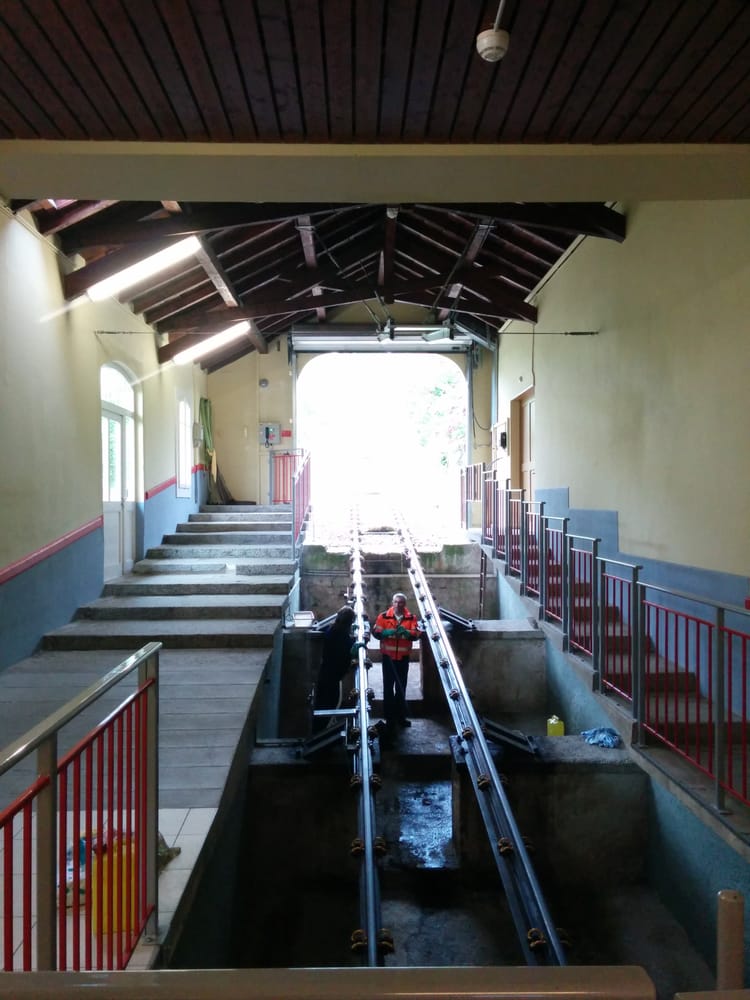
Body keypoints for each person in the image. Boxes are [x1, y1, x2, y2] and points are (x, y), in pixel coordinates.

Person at [371, 592, 422, 734]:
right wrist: (386, 633)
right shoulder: (383, 616)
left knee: (401, 688)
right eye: (396, 602)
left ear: (404, 604)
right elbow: (376, 632)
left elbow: (417, 634)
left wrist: (407, 633)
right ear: (392, 603)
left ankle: (400, 717)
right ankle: (390, 719)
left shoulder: (411, 618)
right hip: (388, 658)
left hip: (402, 659)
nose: (398, 604)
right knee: (388, 688)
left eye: (401, 602)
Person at [312, 606, 357, 733]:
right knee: (328, 704)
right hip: (332, 675)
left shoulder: (332, 629)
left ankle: (317, 731)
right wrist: (353, 647)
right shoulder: (341, 635)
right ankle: (318, 733)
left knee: (323, 703)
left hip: (326, 673)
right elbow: (344, 651)